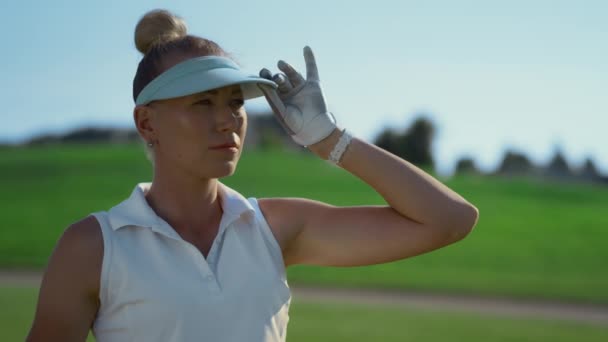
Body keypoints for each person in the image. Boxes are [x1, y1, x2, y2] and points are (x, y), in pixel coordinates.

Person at [26, 8, 479, 342]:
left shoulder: (273, 229)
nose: (228, 120)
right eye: (202, 103)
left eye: (236, 103)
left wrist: (330, 141)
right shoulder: (94, 246)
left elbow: (450, 219)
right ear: (147, 123)